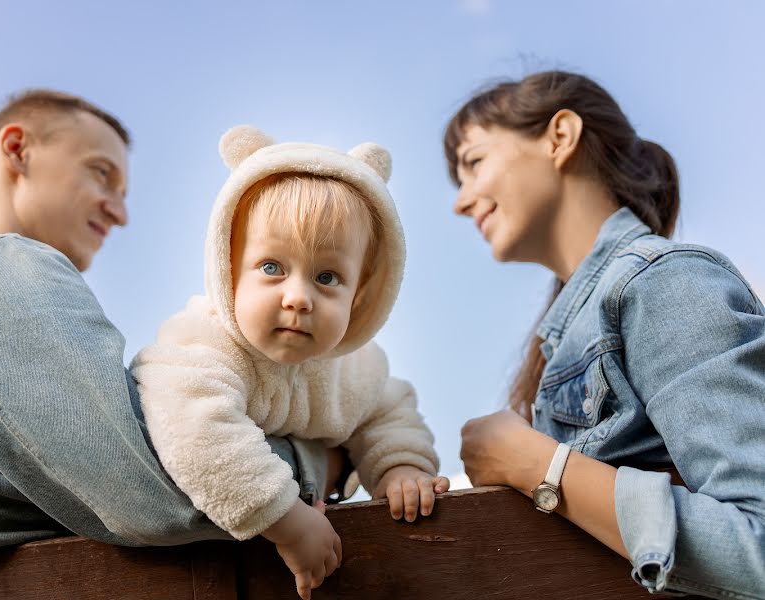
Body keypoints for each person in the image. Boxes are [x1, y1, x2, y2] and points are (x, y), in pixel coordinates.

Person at [0, 91, 341, 561]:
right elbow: (160, 487)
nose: (119, 211)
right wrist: (326, 461)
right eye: (101, 173)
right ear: (17, 150)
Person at [450, 71, 765, 599]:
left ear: (560, 137)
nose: (460, 202)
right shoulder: (568, 335)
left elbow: (756, 544)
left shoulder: (663, 281)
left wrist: (535, 464)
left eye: (474, 163)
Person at [131, 125, 449, 600]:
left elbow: (388, 410)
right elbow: (192, 429)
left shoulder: (354, 369)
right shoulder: (204, 343)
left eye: (327, 276)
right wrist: (286, 519)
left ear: (359, 294)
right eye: (272, 268)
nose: (298, 298)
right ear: (229, 267)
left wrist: (400, 467)